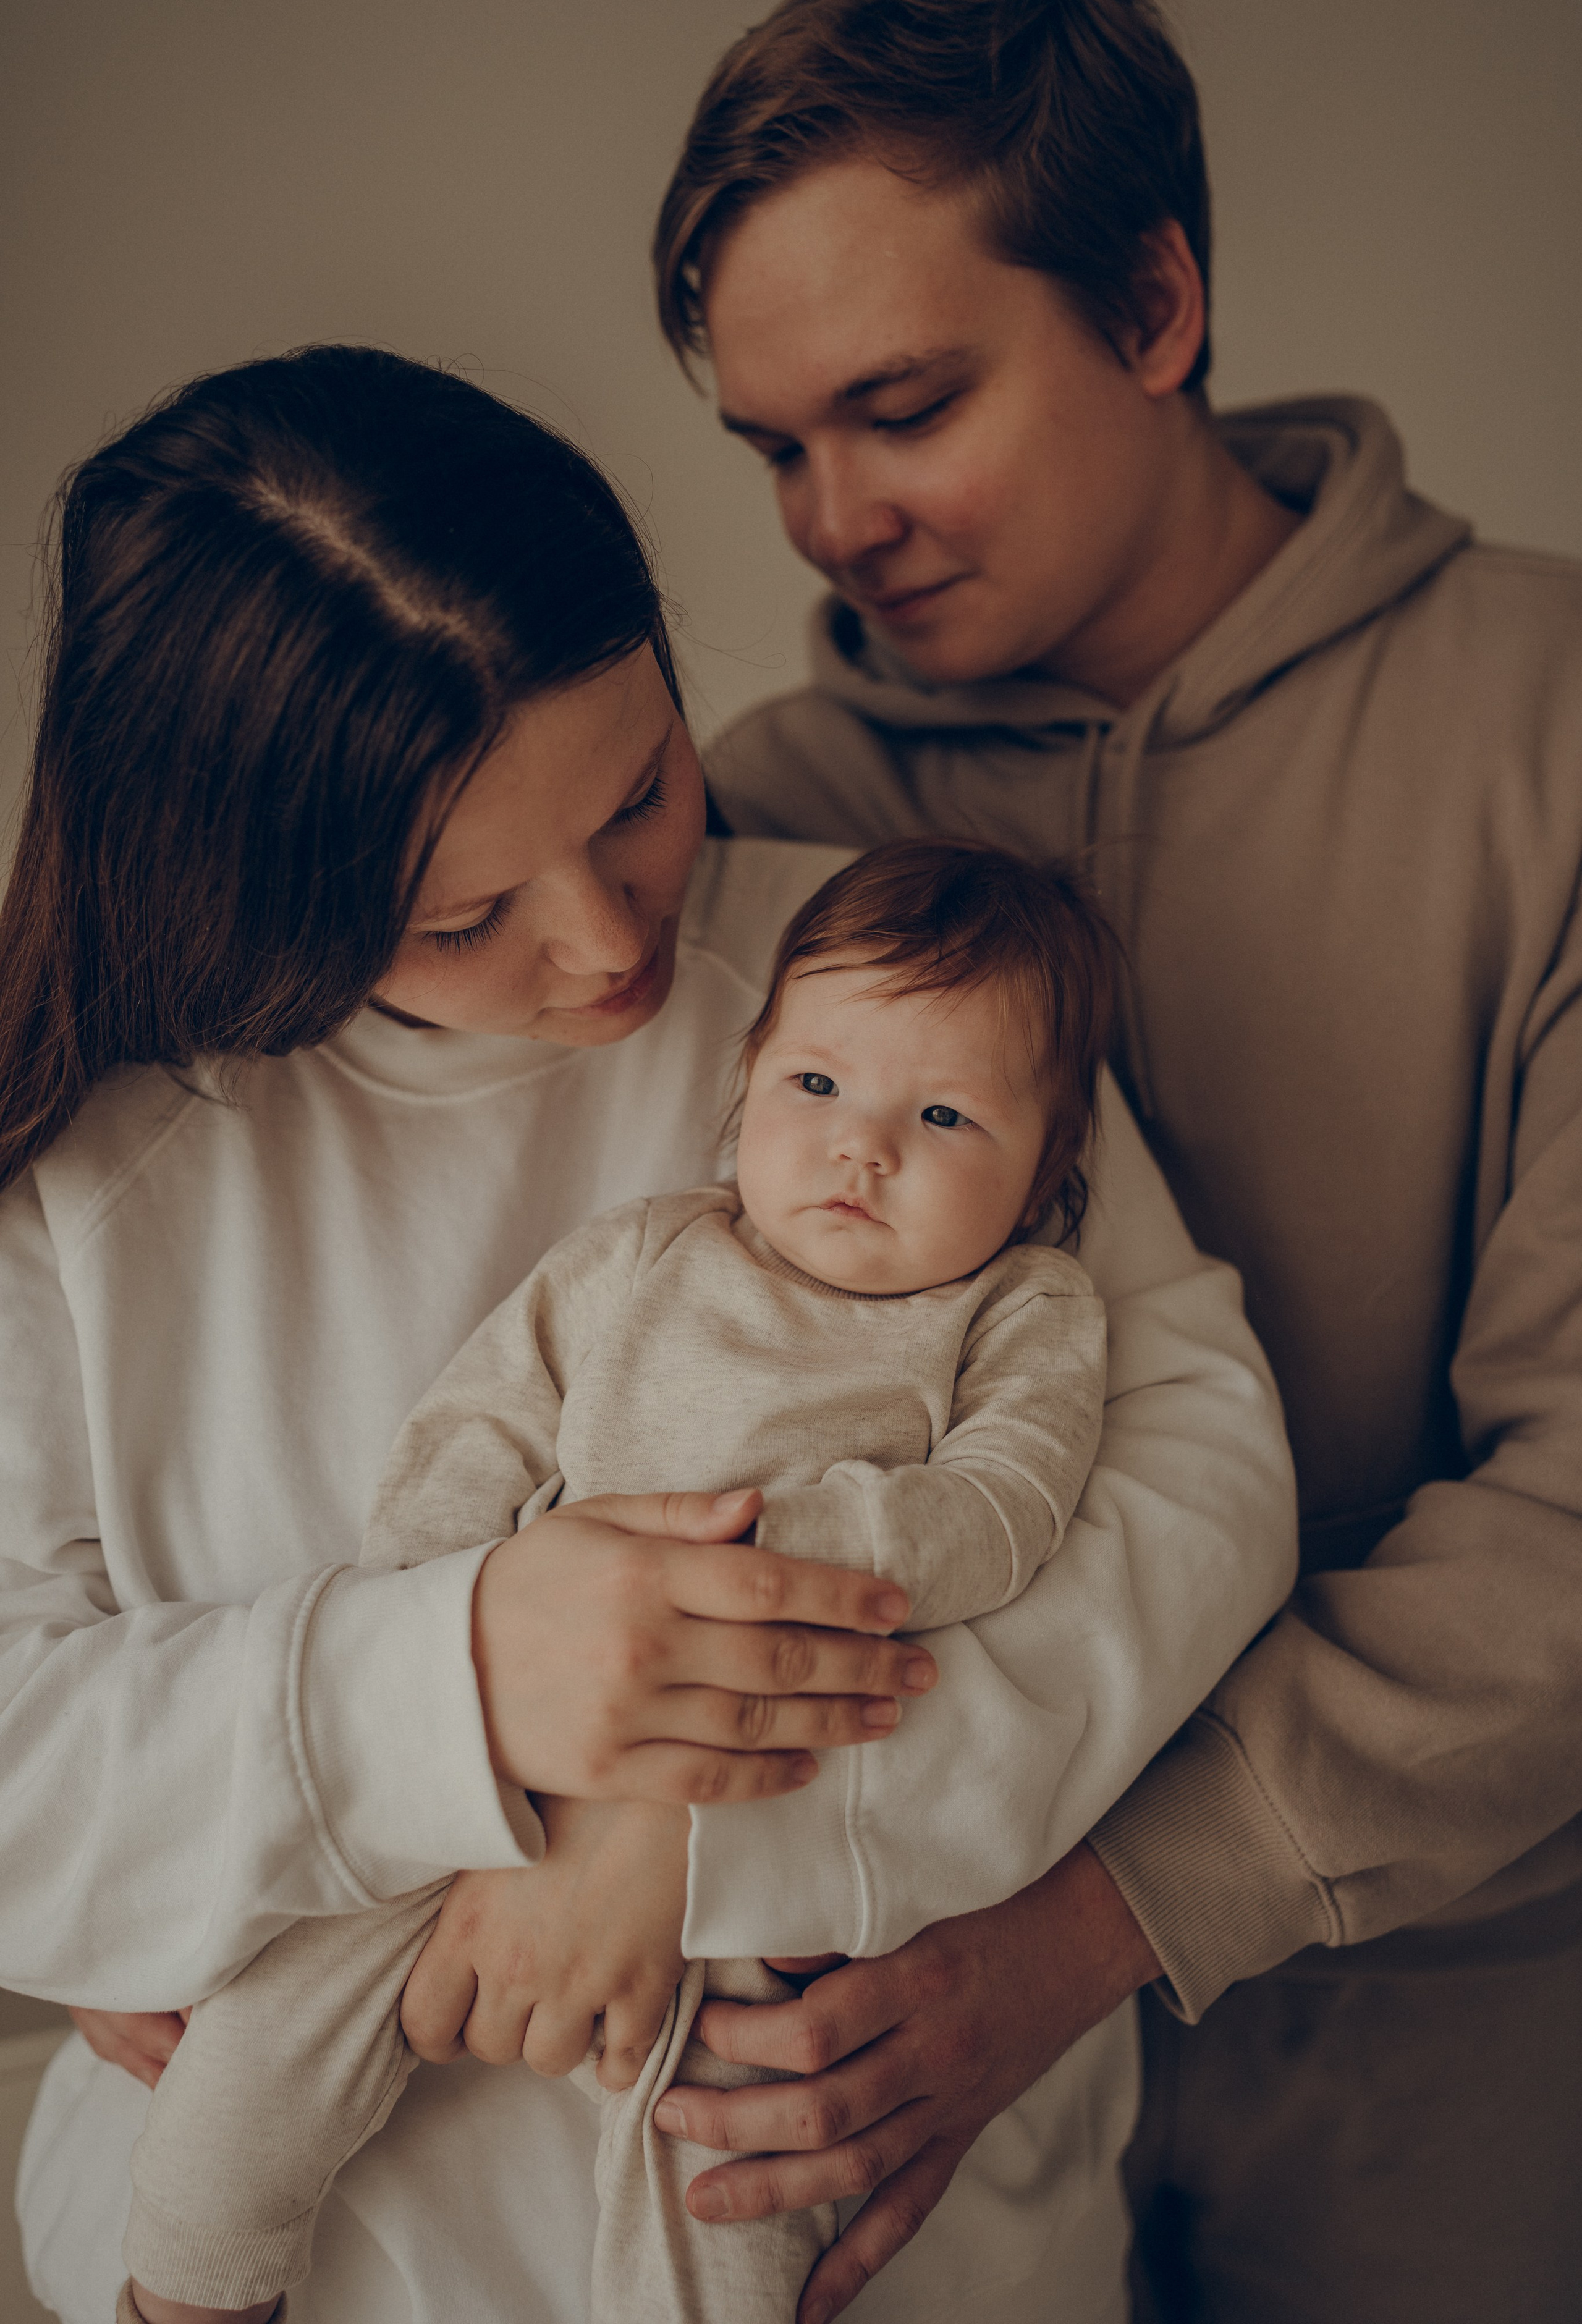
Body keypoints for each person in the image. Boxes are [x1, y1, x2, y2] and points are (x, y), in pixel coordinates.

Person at [2, 342, 1294, 2324]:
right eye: (460, 916)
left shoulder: (894, 999)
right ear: (248, 880)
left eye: (639, 798)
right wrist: (457, 1677)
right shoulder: (101, 1178)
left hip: (872, 2228)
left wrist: (689, 1842)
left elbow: (1191, 1501)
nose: (610, 941)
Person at [638, 0, 1582, 2320]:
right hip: (878, 2085)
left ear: (1155, 303)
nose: (828, 518)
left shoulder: (1551, 733)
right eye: (770, 445)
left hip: (1445, 2081)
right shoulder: (759, 823)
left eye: (901, 405)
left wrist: (1095, 1928)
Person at [121, 837, 1117, 2324]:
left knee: (723, 2169)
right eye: (817, 1086)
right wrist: (446, 1628)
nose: (862, 1147)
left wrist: (779, 1557)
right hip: (505, 1731)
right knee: (271, 2025)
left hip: (754, 1794)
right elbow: (480, 1426)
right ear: (746, 1085)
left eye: (946, 1114)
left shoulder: (1020, 1306)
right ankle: (189, 2293)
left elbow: (1008, 1506)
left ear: (1049, 1169)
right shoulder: (643, 1252)